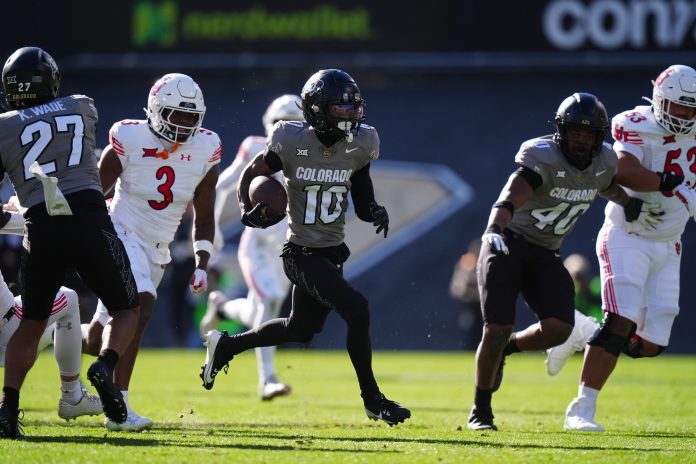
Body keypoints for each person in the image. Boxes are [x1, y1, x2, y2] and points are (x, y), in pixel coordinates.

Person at [199, 69, 411, 426]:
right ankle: (373, 400)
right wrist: (249, 209)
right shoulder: (289, 140)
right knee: (357, 309)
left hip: (331, 251)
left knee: (301, 329)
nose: (350, 114)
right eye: (340, 108)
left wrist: (373, 209)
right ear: (316, 110)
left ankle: (226, 345)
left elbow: (361, 192)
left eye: (352, 107)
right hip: (299, 253)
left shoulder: (361, 143)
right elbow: (252, 174)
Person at [468, 92, 664, 431]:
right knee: (496, 328)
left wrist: (629, 204)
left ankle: (508, 350)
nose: (581, 140)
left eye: (589, 134)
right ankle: (481, 411)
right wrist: (494, 228)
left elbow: (606, 185)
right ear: (562, 131)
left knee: (560, 329)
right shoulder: (542, 156)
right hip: (507, 244)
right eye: (575, 132)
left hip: (545, 252)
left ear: (599, 137)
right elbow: (512, 194)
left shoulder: (603, 161)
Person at [0, 46, 140, 439]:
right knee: (126, 308)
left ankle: (8, 408)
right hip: (90, 220)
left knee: (32, 322)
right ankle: (105, 366)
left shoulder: (3, 126)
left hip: (40, 228)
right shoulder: (82, 106)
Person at [82, 73, 220, 431]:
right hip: (121, 230)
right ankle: (119, 406)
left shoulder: (206, 149)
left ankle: (54, 328)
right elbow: (96, 192)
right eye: (177, 114)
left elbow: (204, 217)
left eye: (192, 117)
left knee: (100, 337)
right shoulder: (129, 136)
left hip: (158, 246)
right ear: (157, 110)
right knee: (141, 305)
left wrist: (202, 263)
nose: (185, 124)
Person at [563, 65, 696, 432]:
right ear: (659, 98)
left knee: (652, 344)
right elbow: (622, 168)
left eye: (691, 109)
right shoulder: (635, 123)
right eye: (678, 107)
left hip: (669, 243)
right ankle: (581, 409)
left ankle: (584, 333)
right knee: (620, 320)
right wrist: (673, 186)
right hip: (628, 236)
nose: (685, 116)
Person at [200, 94, 303, 401]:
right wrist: (212, 227)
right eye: (280, 123)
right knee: (269, 301)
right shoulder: (256, 147)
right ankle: (267, 379)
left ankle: (221, 307)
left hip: (288, 244)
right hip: (258, 243)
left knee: (263, 311)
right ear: (268, 125)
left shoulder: (310, 150)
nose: (286, 128)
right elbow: (223, 183)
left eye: (294, 123)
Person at [0, 205, 102, 422]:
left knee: (49, 331)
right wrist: (25, 210)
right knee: (69, 298)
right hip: (8, 331)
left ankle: (60, 338)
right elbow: (30, 224)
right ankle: (72, 395)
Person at [544, 254, 602, 376]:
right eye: (576, 277)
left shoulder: (596, 287)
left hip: (595, 334)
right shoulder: (564, 291)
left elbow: (600, 313)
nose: (579, 281)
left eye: (581, 277)